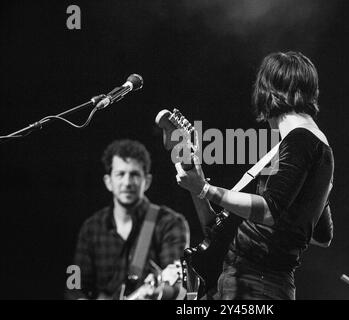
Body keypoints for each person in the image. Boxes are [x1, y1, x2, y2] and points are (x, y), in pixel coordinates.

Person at [175, 51, 334, 300]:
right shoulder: (313, 147)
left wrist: (207, 190)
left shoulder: (300, 140)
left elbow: (270, 210)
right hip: (248, 283)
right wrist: (198, 185)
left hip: (255, 286)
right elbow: (321, 234)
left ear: (268, 93)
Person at [66, 139, 190, 300]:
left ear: (147, 181)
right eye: (120, 174)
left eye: (134, 174)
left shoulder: (169, 223)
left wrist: (158, 292)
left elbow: (176, 287)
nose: (127, 182)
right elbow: (74, 284)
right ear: (108, 181)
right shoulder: (91, 228)